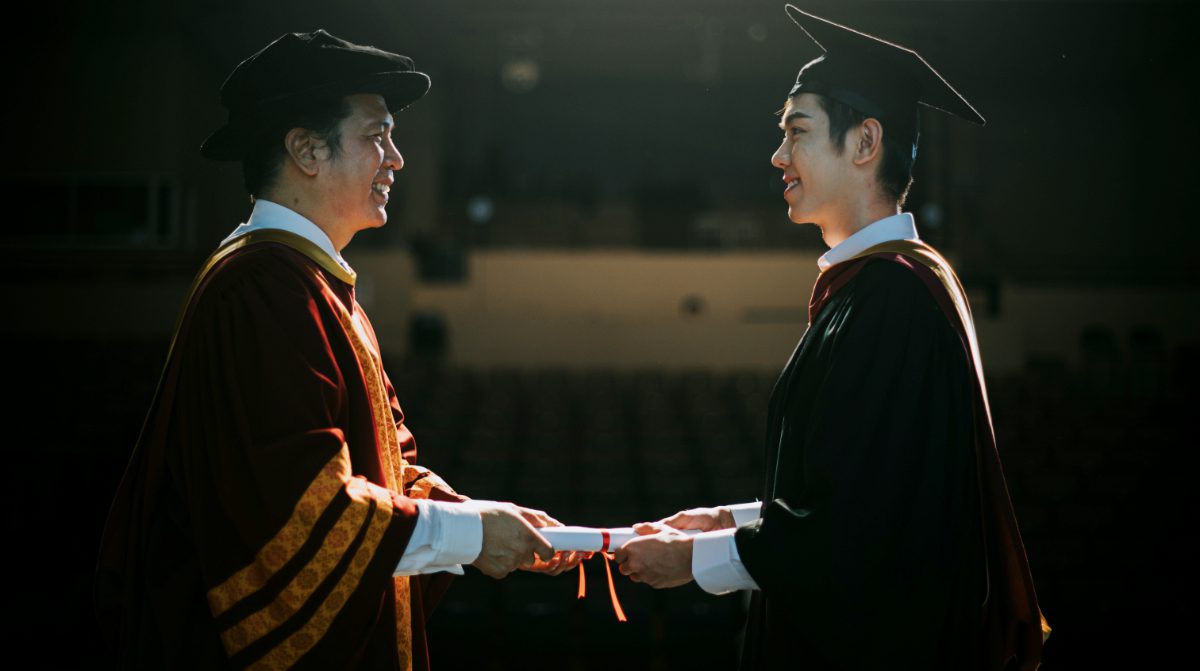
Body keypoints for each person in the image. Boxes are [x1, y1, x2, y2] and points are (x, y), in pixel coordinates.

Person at [96, 30, 578, 670]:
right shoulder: (262, 288)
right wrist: (470, 536)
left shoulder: (306, 281)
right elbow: (295, 508)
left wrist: (478, 517)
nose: (396, 158)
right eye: (376, 134)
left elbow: (386, 469)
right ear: (305, 149)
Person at [614, 6, 1049, 670]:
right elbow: (851, 485)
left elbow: (856, 529)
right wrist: (724, 520)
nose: (777, 155)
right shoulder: (876, 292)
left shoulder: (897, 299)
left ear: (865, 143)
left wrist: (696, 559)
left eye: (797, 131)